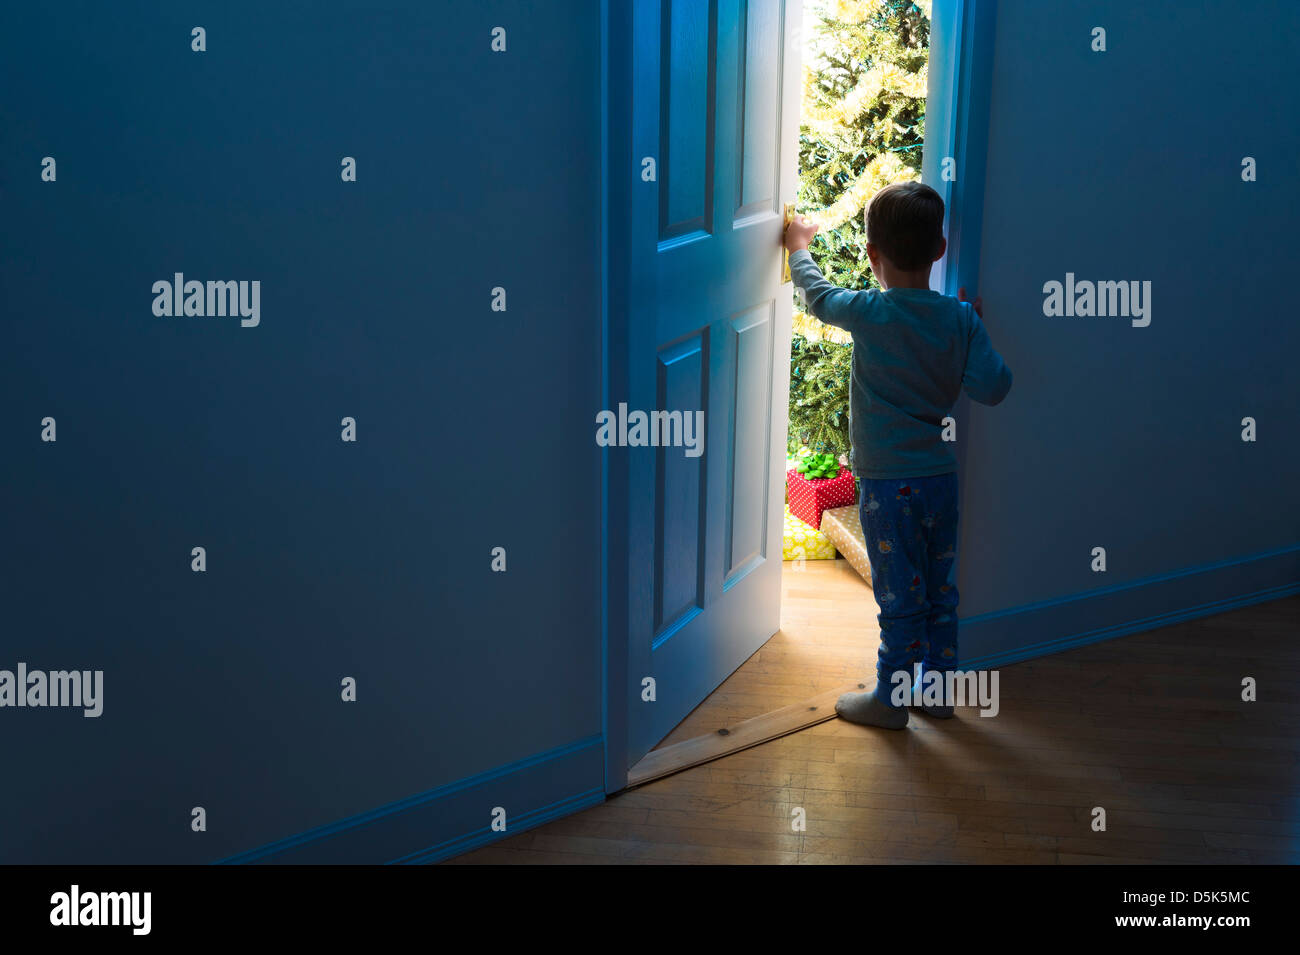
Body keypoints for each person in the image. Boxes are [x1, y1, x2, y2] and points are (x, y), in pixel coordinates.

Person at [783, 181, 1012, 729]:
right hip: (939, 482)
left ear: (872, 255)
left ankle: (891, 701)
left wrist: (799, 247)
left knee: (898, 597)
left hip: (888, 487)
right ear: (939, 250)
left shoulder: (869, 311)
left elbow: (816, 296)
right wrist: (971, 331)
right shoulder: (959, 321)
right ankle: (935, 694)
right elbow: (994, 387)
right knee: (940, 594)